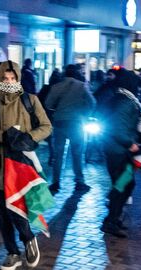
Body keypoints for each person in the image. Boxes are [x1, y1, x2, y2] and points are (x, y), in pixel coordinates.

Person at [0, 60, 52, 270]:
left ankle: (28, 239)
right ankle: (12, 252)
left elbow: (46, 126)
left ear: (18, 78)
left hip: (21, 165)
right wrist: (3, 136)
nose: (9, 82)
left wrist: (28, 137)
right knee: (1, 213)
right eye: (5, 78)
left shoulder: (30, 100)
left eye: (12, 78)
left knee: (19, 209)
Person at [96, 69, 141, 238]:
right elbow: (117, 127)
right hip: (119, 150)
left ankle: (113, 218)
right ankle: (110, 221)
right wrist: (130, 143)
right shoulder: (125, 101)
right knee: (123, 185)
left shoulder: (120, 98)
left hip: (116, 149)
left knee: (123, 184)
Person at [45, 64, 96, 193]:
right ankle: (79, 182)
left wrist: (58, 109)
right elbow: (93, 102)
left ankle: (55, 183)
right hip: (76, 123)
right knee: (77, 154)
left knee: (58, 154)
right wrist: (86, 114)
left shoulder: (56, 86)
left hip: (60, 122)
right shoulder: (82, 86)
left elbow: (48, 104)